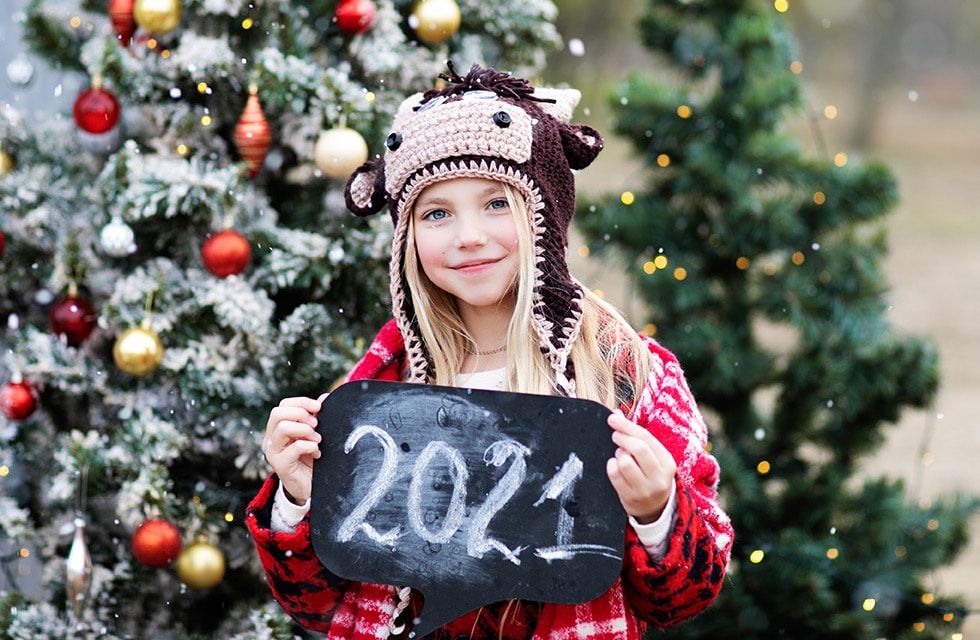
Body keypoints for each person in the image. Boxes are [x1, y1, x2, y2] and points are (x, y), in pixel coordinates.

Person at [246, 63, 733, 640]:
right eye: (436, 213)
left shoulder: (623, 372)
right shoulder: (386, 384)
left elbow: (684, 596)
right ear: (407, 239)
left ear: (544, 216)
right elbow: (314, 603)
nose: (468, 235)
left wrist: (657, 513)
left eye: (497, 203)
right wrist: (300, 498)